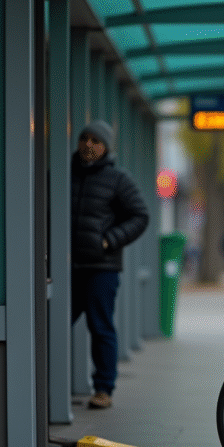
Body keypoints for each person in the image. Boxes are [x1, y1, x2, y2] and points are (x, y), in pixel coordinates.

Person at [71, 120, 149, 409]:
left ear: (105, 147)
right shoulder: (62, 174)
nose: (88, 144)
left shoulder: (118, 179)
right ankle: (45, 385)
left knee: (100, 326)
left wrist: (108, 241)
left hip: (101, 268)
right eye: (84, 138)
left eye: (96, 140)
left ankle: (104, 388)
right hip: (65, 268)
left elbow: (140, 216)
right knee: (52, 325)